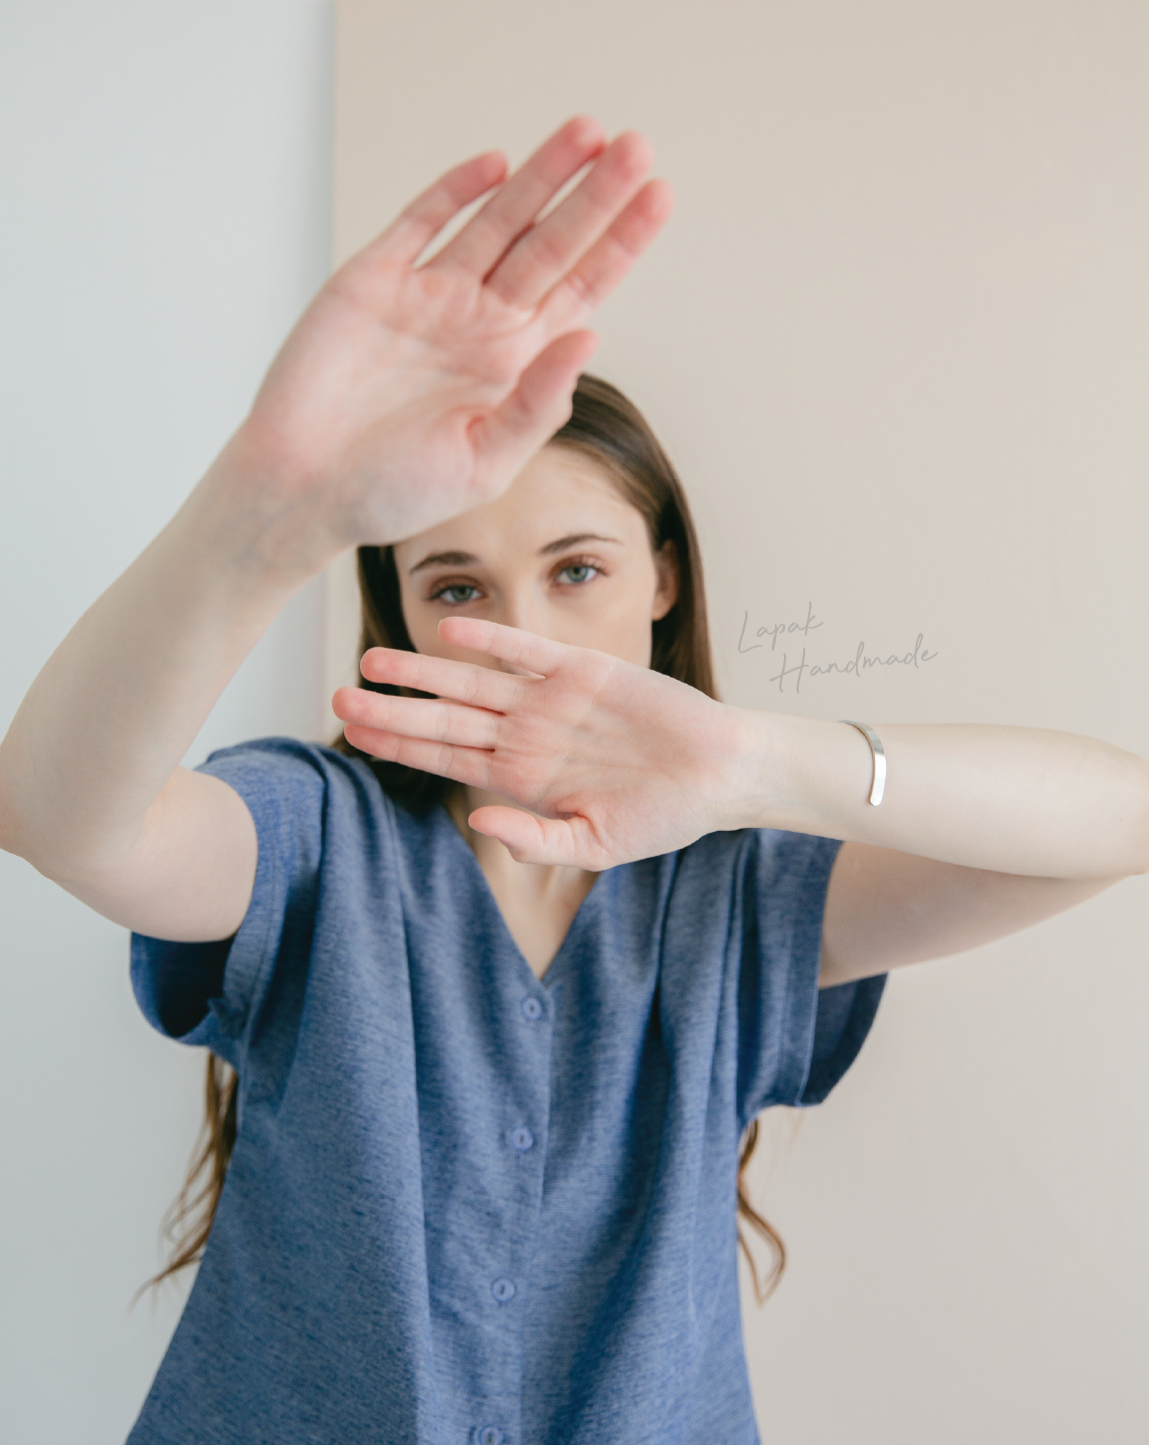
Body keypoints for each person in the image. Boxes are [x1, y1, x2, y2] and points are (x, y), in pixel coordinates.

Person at [0, 114, 1146, 1445]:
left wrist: (753, 761)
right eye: (457, 586)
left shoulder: (740, 887)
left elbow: (1119, 818)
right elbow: (59, 815)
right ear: (401, 614)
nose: (524, 634)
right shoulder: (316, 839)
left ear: (663, 578)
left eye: (578, 569)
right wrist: (272, 506)